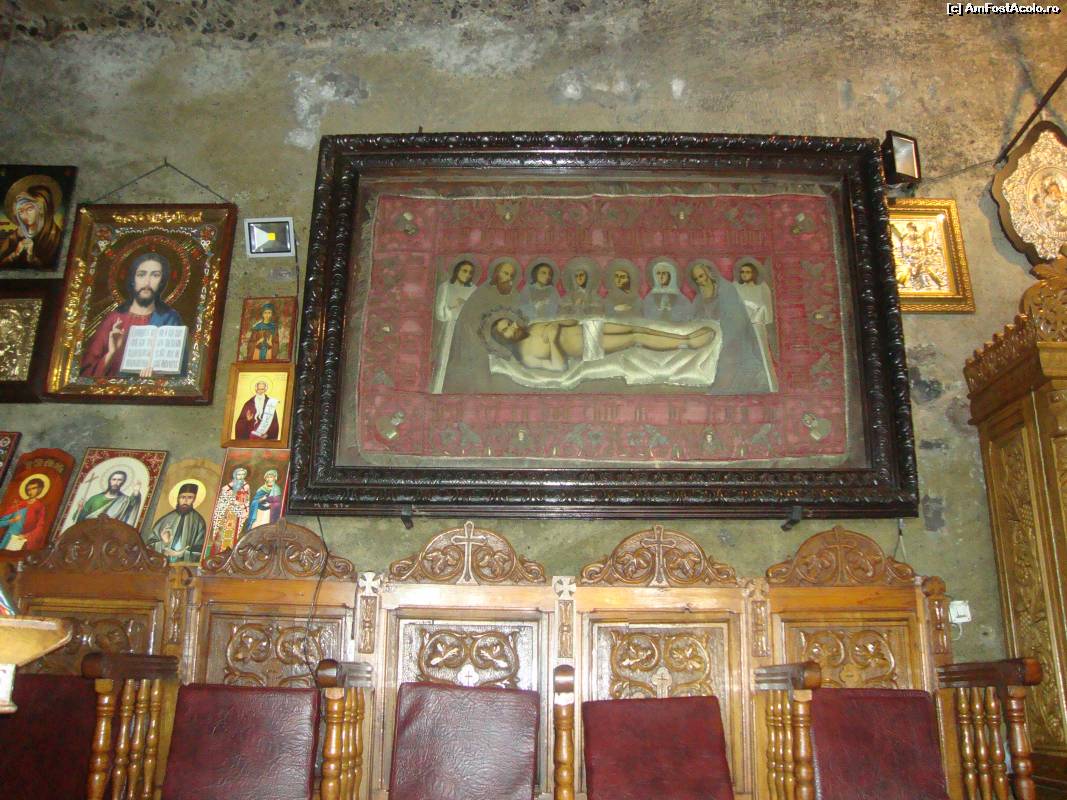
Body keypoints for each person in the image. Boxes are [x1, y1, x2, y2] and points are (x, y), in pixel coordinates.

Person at [80, 251, 185, 378]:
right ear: (132, 279)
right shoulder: (114, 319)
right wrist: (112, 352)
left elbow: (180, 374)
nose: (147, 282)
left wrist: (157, 377)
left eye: (155, 275)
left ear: (162, 281)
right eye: (141, 275)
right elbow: (86, 374)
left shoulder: (169, 318)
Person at [489, 314, 715, 372]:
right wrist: (555, 340)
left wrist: (556, 324)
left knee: (638, 328)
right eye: (507, 329)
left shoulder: (533, 326)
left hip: (588, 328)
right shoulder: (525, 356)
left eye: (510, 323)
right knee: (635, 338)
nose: (513, 326)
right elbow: (559, 367)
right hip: (587, 347)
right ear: (503, 339)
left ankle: (684, 337)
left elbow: (571, 321)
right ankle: (686, 344)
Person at [687, 261, 769, 394]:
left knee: (725, 360)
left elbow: (736, 319)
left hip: (731, 336)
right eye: (696, 279)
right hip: (708, 337)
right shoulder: (699, 298)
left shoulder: (726, 290)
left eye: (701, 276)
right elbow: (693, 320)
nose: (700, 281)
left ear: (709, 273)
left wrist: (721, 335)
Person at [442, 258, 521, 392]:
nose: (508, 278)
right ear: (496, 273)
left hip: (505, 338)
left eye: (511, 275)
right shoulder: (483, 291)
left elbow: (518, 315)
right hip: (476, 339)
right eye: (505, 273)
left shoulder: (514, 293)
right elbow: (470, 318)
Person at [430, 259, 477, 393]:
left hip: (468, 330)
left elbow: (477, 312)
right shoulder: (445, 287)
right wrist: (452, 307)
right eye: (464, 271)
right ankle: (438, 391)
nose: (467, 275)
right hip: (450, 329)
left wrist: (466, 305)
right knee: (445, 361)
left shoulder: (473, 289)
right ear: (457, 271)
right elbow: (440, 314)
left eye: (470, 273)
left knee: (466, 362)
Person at [734, 258, 778, 391]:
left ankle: (769, 384)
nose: (744, 274)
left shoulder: (762, 288)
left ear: (753, 273)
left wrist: (757, 315)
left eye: (747, 272)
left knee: (762, 352)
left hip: (758, 324)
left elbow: (766, 310)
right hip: (741, 325)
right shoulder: (736, 287)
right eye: (742, 272)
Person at [0, 183, 62, 269]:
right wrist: (15, 254)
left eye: (29, 209)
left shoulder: (56, 238)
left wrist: (32, 258)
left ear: (41, 209)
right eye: (20, 211)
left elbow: (55, 270)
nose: (24, 215)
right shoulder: (14, 237)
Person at [145, 483, 207, 564]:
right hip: (161, 564)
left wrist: (180, 554)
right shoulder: (165, 519)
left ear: (194, 499)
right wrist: (164, 543)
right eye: (182, 497)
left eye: (190, 497)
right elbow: (149, 546)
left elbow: (200, 550)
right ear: (178, 498)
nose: (185, 501)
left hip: (184, 567)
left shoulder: (199, 522)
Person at [206, 467, 250, 559]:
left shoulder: (246, 487)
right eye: (239, 474)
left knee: (233, 536)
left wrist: (240, 506)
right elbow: (222, 501)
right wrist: (230, 502)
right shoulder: (227, 488)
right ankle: (217, 555)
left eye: (243, 474)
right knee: (221, 535)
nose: (241, 476)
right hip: (226, 514)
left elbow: (246, 501)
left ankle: (230, 556)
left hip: (237, 515)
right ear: (235, 475)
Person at [74, 470, 142, 525]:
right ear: (109, 481)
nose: (116, 482)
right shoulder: (94, 498)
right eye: (114, 479)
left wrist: (136, 492)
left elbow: (132, 506)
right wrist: (79, 510)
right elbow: (80, 520)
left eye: (119, 480)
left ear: (123, 482)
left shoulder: (124, 500)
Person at [0, 476, 49, 551]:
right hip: (8, 537)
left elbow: (40, 527)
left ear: (40, 489)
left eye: (34, 488)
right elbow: (1, 522)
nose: (30, 491)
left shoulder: (39, 506)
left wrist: (27, 535)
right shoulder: (19, 504)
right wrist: (12, 520)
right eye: (29, 489)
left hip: (21, 539)